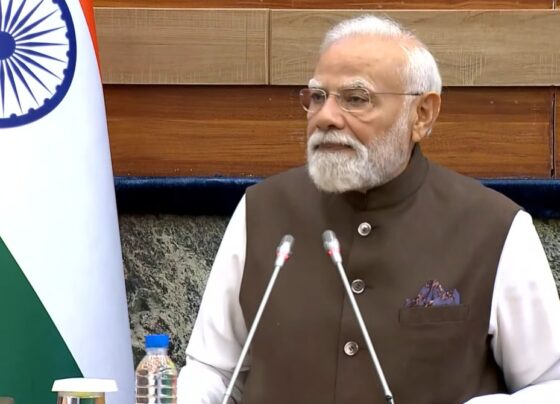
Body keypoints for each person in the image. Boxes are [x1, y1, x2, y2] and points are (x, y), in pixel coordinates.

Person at [177, 14, 560, 404]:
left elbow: (551, 383)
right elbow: (213, 371)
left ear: (422, 114)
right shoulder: (262, 210)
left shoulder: (493, 227)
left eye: (355, 99)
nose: (325, 117)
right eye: (317, 97)